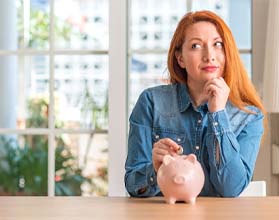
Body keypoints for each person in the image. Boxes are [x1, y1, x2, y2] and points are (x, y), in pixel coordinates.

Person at [124, 10, 265, 197]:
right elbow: (134, 185)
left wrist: (218, 115)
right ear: (180, 58)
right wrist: (155, 170)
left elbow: (231, 189)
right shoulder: (151, 102)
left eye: (218, 44)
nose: (209, 55)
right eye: (196, 46)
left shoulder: (249, 116)